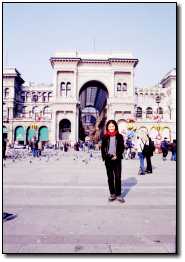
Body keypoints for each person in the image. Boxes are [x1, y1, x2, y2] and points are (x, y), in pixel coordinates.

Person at [101, 120, 125, 202]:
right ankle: (112, 193)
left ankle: (118, 194)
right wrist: (104, 157)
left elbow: (122, 147)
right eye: (110, 126)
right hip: (108, 159)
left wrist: (117, 155)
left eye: (113, 126)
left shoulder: (120, 136)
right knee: (110, 177)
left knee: (118, 177)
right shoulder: (105, 136)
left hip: (117, 159)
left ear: (115, 126)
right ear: (107, 127)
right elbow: (102, 148)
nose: (111, 128)